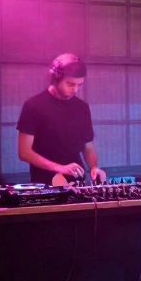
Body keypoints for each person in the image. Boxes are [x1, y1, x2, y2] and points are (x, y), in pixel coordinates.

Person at [17, 53, 106, 185]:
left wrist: (94, 168)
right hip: (45, 182)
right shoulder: (33, 106)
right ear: (55, 78)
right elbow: (24, 152)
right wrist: (59, 168)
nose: (75, 89)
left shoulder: (82, 107)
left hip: (76, 181)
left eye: (79, 85)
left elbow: (88, 147)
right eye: (70, 84)